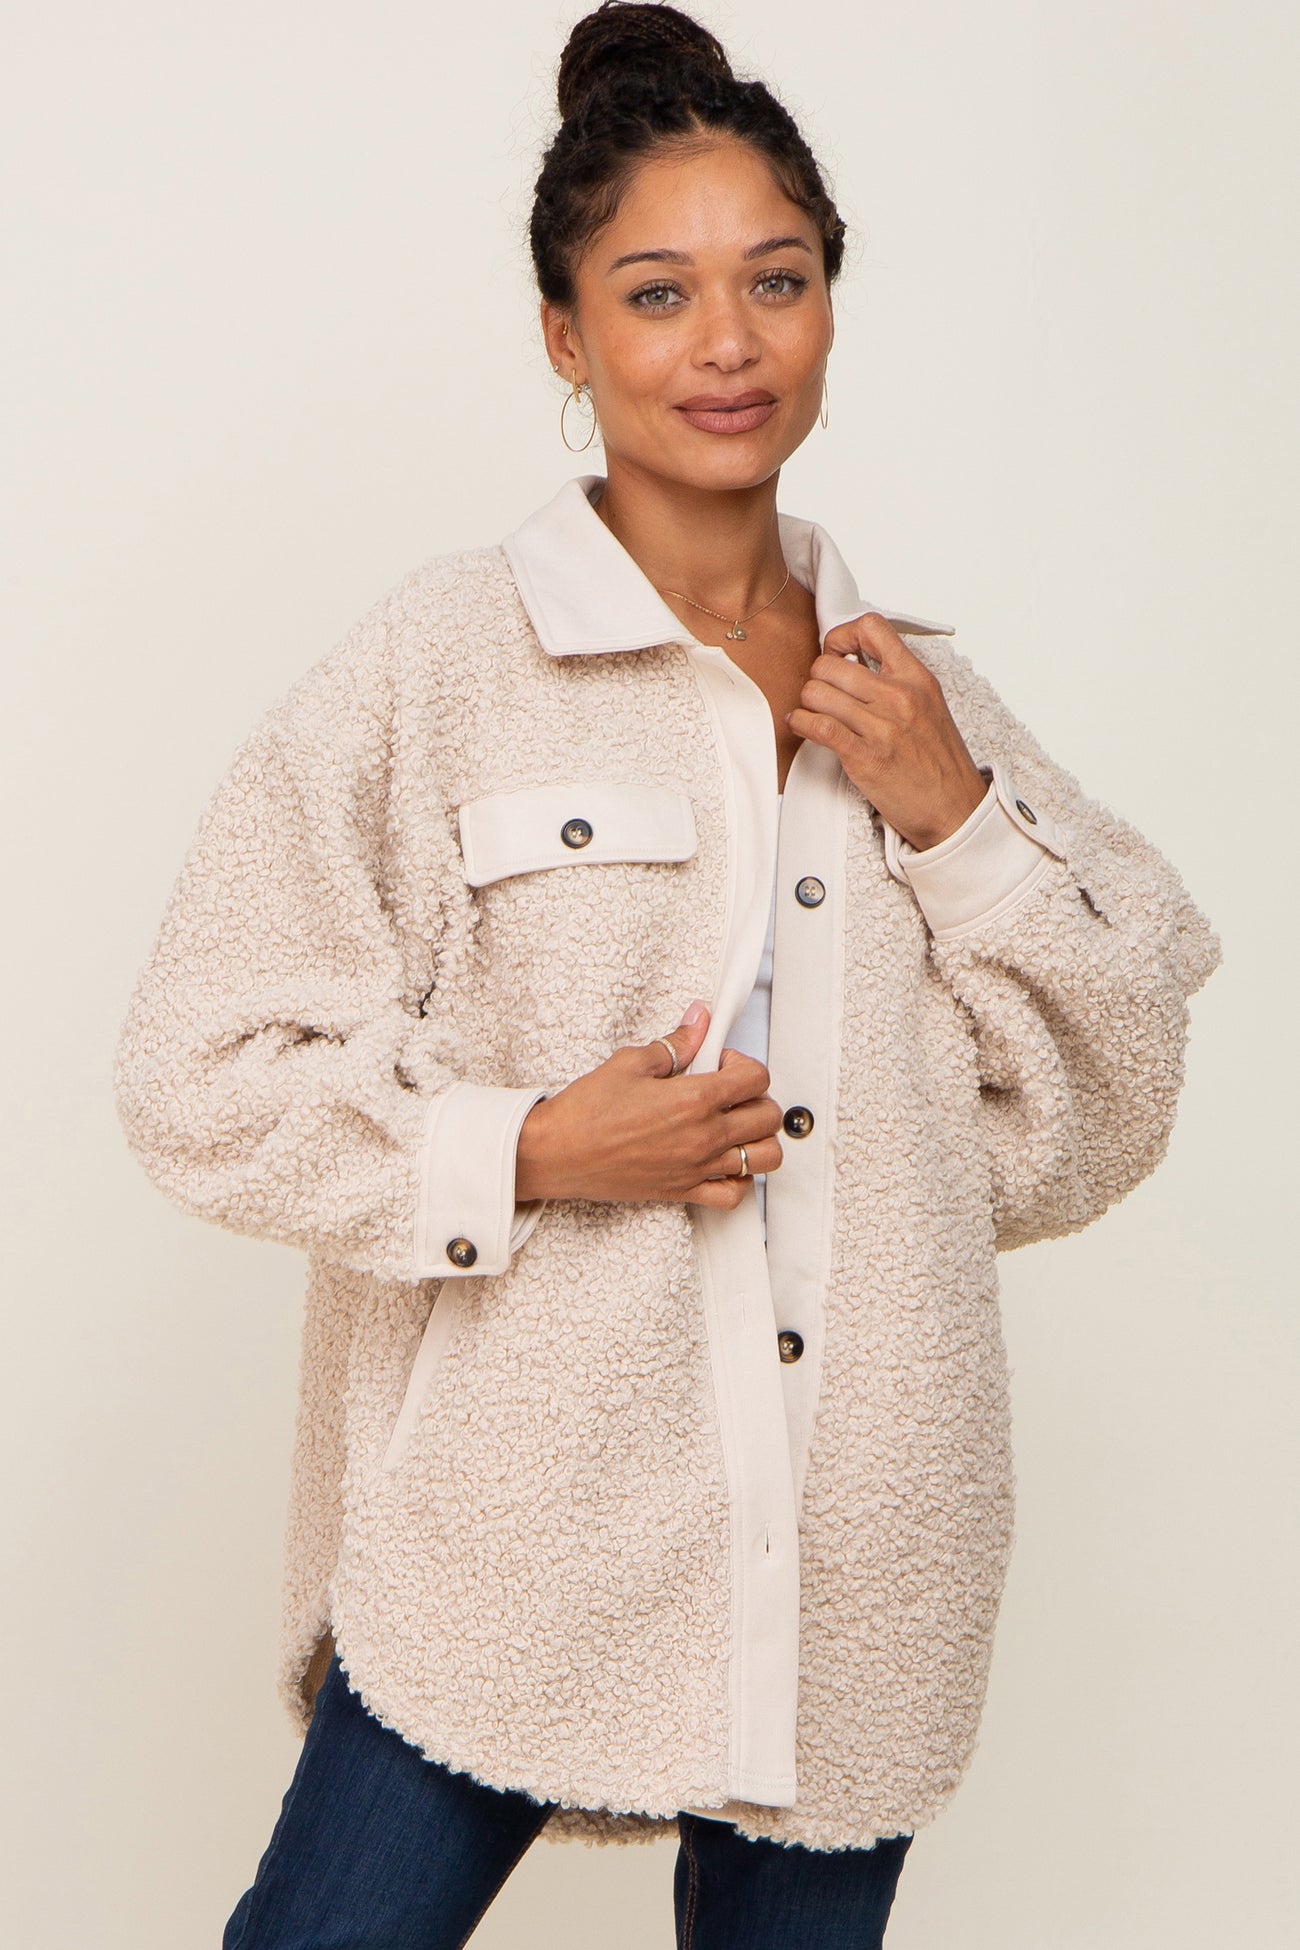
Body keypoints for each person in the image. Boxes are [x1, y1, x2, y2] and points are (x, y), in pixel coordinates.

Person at [113, 4, 1222, 1945]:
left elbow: (1096, 1102)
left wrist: (955, 819)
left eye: (774, 281)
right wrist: (533, 1146)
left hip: (858, 1548)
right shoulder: (444, 662)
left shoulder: (922, 697)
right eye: (656, 292)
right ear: (564, 335)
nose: (727, 342)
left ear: (829, 307)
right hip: (518, 1531)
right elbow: (196, 1067)